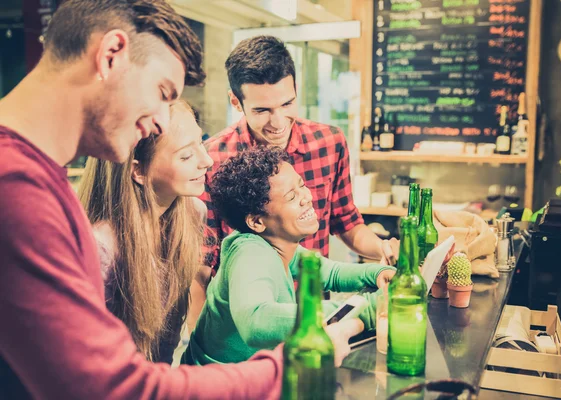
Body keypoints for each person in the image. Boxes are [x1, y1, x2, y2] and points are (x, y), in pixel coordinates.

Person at [0, 1, 332, 398]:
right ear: (111, 55)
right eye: (161, 92)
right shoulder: (16, 189)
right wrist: (289, 365)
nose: (160, 120)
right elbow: (110, 387)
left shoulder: (38, 180)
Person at [190, 34, 399, 323]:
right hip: (245, 320)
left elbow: (347, 224)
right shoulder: (211, 158)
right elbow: (199, 268)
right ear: (235, 102)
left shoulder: (329, 143)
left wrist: (384, 249)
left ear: (296, 89)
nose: (277, 123)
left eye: (286, 104)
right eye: (262, 110)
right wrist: (200, 344)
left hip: (312, 313)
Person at [181, 147, 396, 366]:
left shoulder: (278, 245)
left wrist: (378, 273)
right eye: (291, 196)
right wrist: (369, 308)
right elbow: (257, 322)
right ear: (256, 222)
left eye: (301, 185)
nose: (306, 197)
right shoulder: (249, 253)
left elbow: (330, 272)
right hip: (217, 386)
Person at [78, 100, 213, 364]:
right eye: (186, 156)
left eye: (202, 143)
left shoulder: (193, 213)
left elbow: (167, 340)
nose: (206, 161)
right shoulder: (100, 248)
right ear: (138, 169)